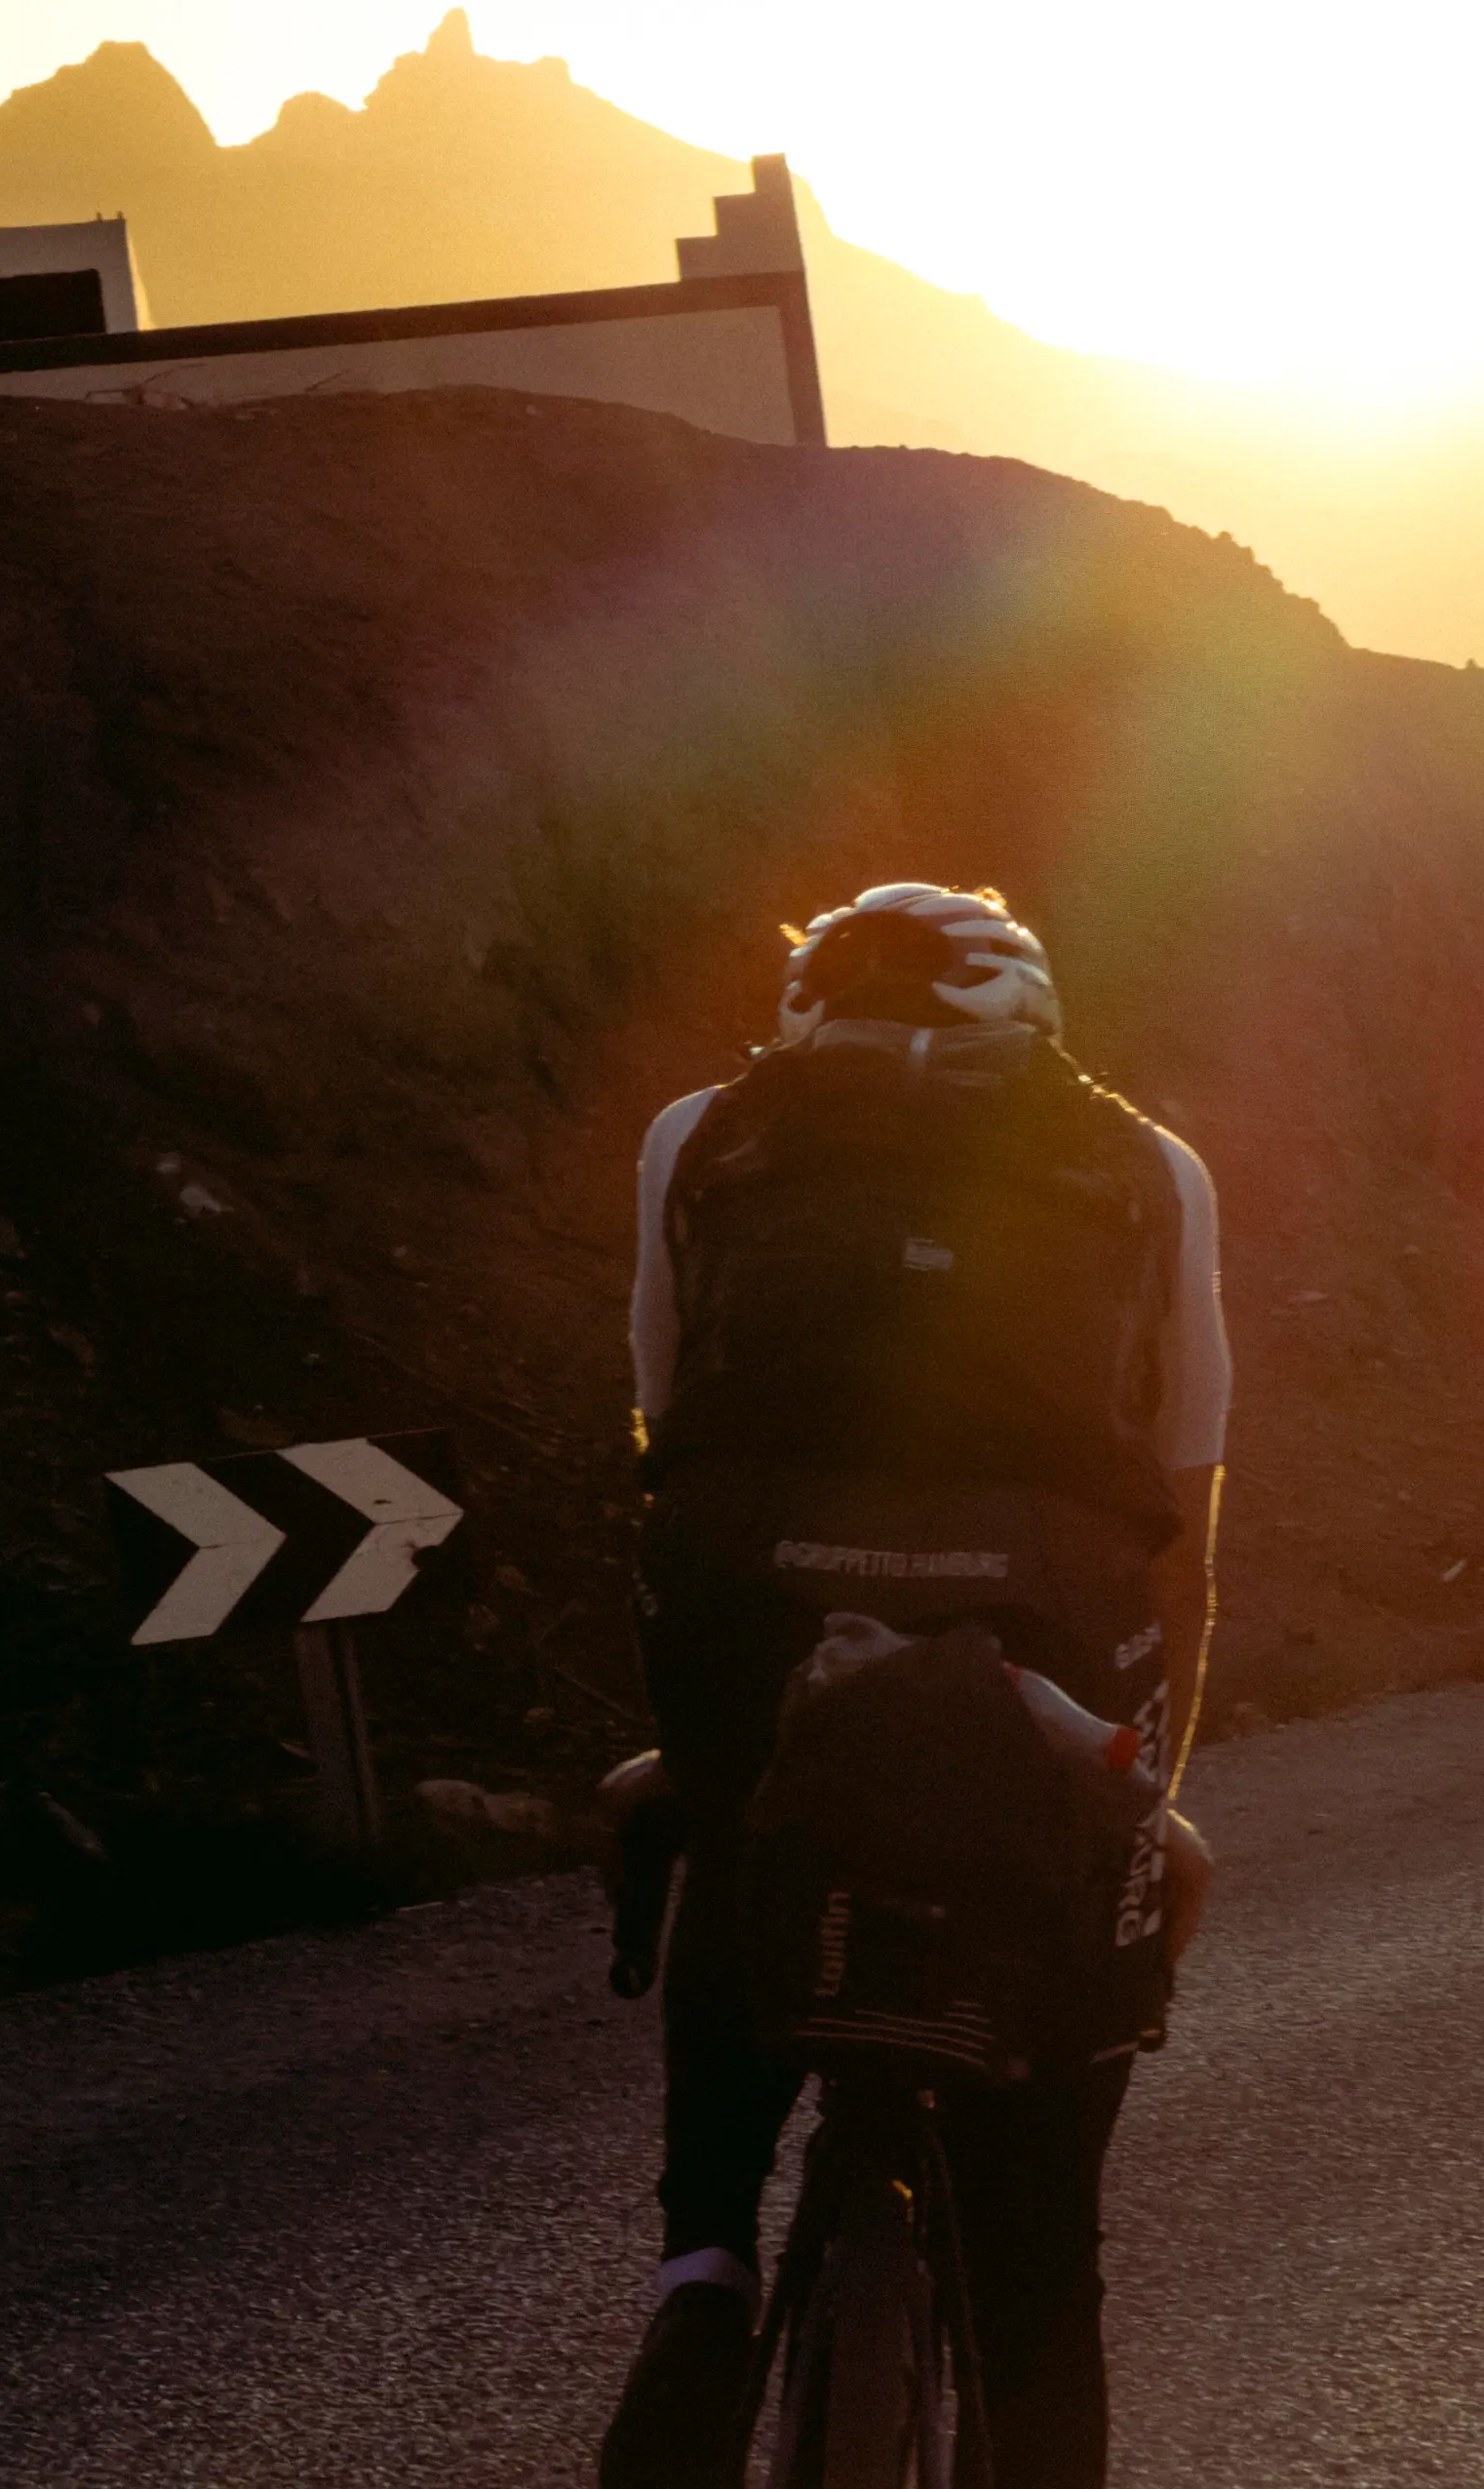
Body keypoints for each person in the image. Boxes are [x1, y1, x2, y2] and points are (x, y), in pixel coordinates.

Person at [599, 883, 1228, 2489]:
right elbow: (1182, 1514)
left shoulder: (701, 1137)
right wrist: (1143, 1795)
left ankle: (703, 2269)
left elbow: (668, 1444)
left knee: (739, 1818)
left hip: (759, 1630)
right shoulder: (1150, 1171)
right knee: (1038, 2273)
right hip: (1050, 1666)